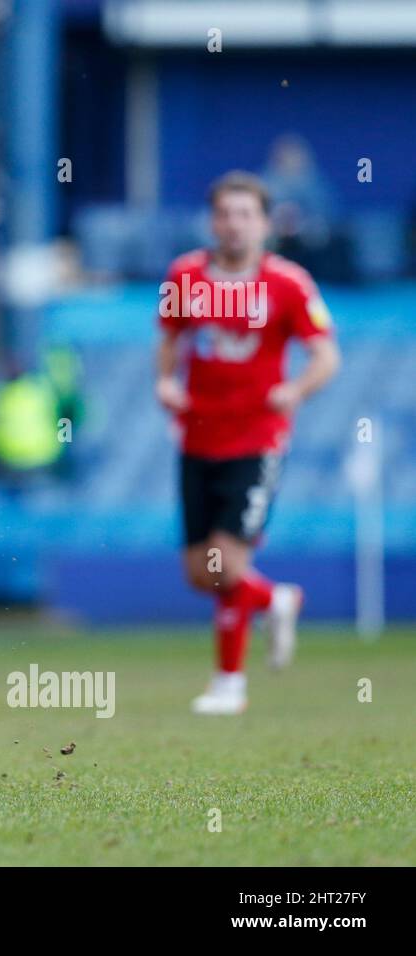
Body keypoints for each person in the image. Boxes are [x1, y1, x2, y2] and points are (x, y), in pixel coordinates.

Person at [155, 171, 340, 716]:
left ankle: (228, 685)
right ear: (212, 221)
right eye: (224, 215)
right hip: (196, 437)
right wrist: (166, 383)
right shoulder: (184, 275)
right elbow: (169, 340)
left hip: (257, 440)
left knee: (227, 564)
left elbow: (327, 355)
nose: (233, 225)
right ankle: (276, 599)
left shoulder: (289, 284)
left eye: (245, 215)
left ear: (263, 223)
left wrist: (295, 389)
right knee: (201, 572)